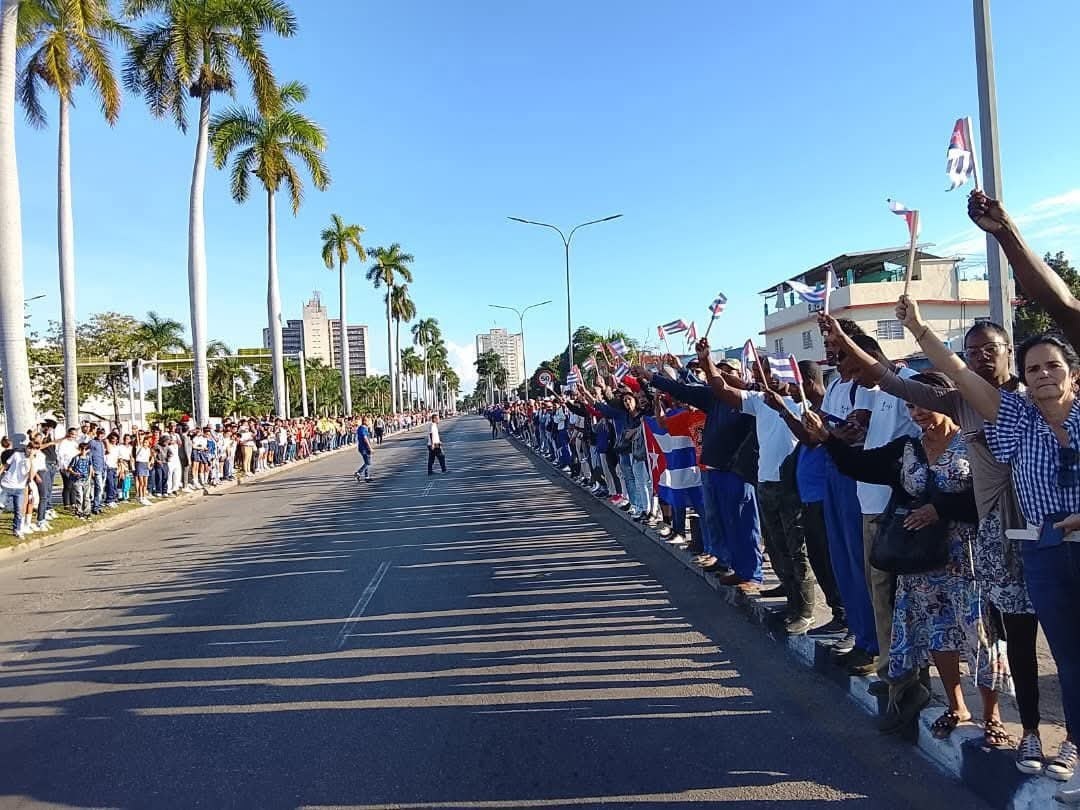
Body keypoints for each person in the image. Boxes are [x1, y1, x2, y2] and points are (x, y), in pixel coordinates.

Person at [896, 294, 1079, 799]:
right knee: (1059, 652)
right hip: (1041, 548)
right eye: (1034, 367)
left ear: (1073, 374)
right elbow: (956, 370)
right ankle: (1056, 740)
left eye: (1054, 366)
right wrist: (919, 330)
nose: (1044, 374)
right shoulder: (1017, 418)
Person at [804, 371, 1012, 743]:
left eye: (923, 404)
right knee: (938, 634)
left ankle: (992, 714)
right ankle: (957, 705)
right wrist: (827, 441)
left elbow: (989, 499)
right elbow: (861, 466)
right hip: (922, 561)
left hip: (969, 558)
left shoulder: (974, 443)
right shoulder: (907, 448)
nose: (916, 413)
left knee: (979, 635)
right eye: (911, 405)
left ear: (947, 400)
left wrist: (940, 508)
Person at [355, 417, 374, 482]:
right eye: (368, 421)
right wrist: (370, 447)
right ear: (364, 421)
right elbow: (365, 438)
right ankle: (359, 472)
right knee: (368, 463)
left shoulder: (362, 428)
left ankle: (367, 477)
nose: (369, 423)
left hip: (363, 447)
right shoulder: (362, 429)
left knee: (367, 462)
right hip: (364, 448)